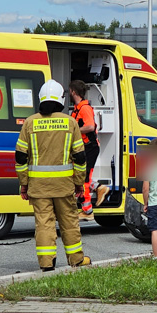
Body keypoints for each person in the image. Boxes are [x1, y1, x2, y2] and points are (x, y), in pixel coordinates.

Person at [15, 79, 91, 271]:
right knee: (69, 222)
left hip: (38, 188)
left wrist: (24, 183)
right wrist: (79, 183)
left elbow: (20, 157)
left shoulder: (30, 123)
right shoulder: (70, 122)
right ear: (61, 99)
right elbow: (80, 158)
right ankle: (76, 260)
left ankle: (47, 263)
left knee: (44, 225)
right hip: (64, 186)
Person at [69, 80, 108, 221]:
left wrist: (74, 131)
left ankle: (87, 211)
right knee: (78, 176)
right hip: (85, 147)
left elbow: (90, 126)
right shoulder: (78, 108)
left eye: (70, 90)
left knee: (84, 179)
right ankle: (99, 187)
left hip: (89, 148)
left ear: (73, 91)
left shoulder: (84, 108)